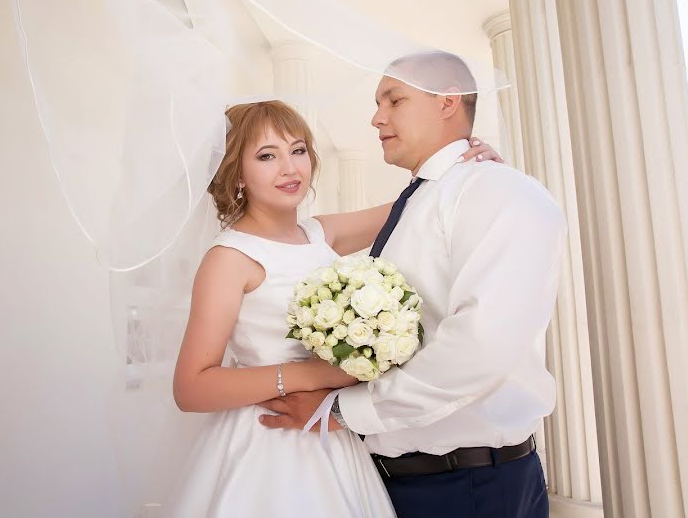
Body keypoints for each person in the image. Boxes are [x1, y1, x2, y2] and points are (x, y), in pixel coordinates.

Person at [260, 53, 566, 518]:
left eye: (394, 100)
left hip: (468, 484)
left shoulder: (496, 190)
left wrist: (343, 412)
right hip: (388, 481)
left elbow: (481, 347)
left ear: (448, 102)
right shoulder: (424, 199)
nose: (376, 117)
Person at [166, 98, 501, 517]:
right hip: (268, 445)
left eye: (299, 150)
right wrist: (318, 375)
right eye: (267, 156)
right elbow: (191, 387)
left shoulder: (320, 233)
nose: (290, 168)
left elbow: (417, 203)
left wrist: (468, 165)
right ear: (236, 174)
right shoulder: (230, 259)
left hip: (332, 435)